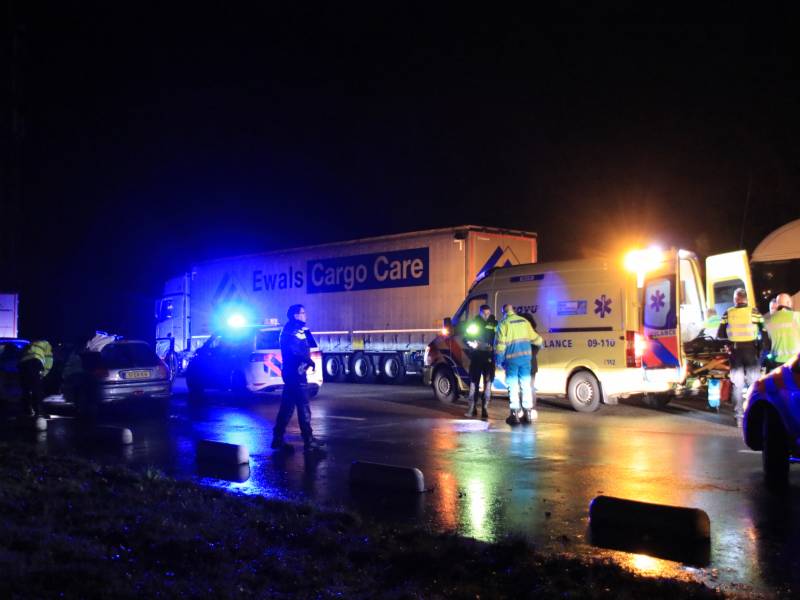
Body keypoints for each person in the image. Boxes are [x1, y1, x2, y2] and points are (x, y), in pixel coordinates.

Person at [271, 304, 325, 453]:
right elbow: (294, 351)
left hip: (293, 372)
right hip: (296, 373)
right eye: (302, 313)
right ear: (295, 315)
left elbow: (308, 345)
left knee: (287, 407)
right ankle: (309, 440)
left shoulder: (298, 329)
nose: (305, 315)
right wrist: (308, 361)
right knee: (303, 406)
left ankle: (277, 438)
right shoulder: (292, 331)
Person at [717, 288, 765, 427]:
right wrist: (760, 349)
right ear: (746, 299)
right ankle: (755, 414)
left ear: (735, 299)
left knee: (737, 385)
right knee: (753, 384)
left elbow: (720, 335)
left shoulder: (728, 313)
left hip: (735, 352)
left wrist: (728, 345)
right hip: (751, 351)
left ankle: (739, 417)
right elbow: (764, 331)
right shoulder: (754, 312)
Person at [495, 304, 543, 425]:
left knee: (513, 386)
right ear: (513, 310)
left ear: (504, 312)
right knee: (526, 385)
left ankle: (515, 415)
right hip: (526, 359)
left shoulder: (503, 324)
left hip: (512, 359)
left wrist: (499, 361)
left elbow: (500, 345)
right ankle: (528, 414)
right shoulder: (524, 322)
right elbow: (536, 338)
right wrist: (541, 344)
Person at [463, 304, 496, 419]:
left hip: (489, 357)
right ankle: (472, 408)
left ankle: (485, 408)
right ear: (480, 313)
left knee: (488, 384)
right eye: (484, 314)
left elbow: (499, 338)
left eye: (488, 313)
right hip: (477, 356)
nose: (486, 316)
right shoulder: (474, 324)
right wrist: (473, 345)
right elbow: (466, 338)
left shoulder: (494, 323)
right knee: (474, 383)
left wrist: (494, 347)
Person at [763, 293, 800, 370]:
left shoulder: (768, 321)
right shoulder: (797, 316)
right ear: (788, 303)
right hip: (796, 360)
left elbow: (766, 343)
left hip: (778, 362)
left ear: (777, 304)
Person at [18, 340, 54, 418]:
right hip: (34, 362)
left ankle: (26, 411)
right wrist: (44, 373)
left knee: (26, 389)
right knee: (37, 389)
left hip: (23, 364)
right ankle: (39, 411)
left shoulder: (31, 344)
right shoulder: (47, 344)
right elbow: (49, 359)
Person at [519, 313, 542, 415]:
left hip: (529, 365)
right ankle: (525, 409)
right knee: (525, 388)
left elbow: (536, 349)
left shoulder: (532, 333)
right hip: (526, 365)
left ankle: (530, 409)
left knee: (528, 387)